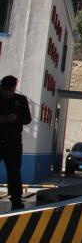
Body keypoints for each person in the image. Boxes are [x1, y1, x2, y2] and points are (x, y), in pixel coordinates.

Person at [0, 75, 32, 210]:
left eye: (12, 90)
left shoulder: (20, 100)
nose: (10, 93)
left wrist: (16, 118)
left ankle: (16, 200)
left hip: (13, 142)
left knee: (14, 172)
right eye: (7, 90)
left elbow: (27, 119)